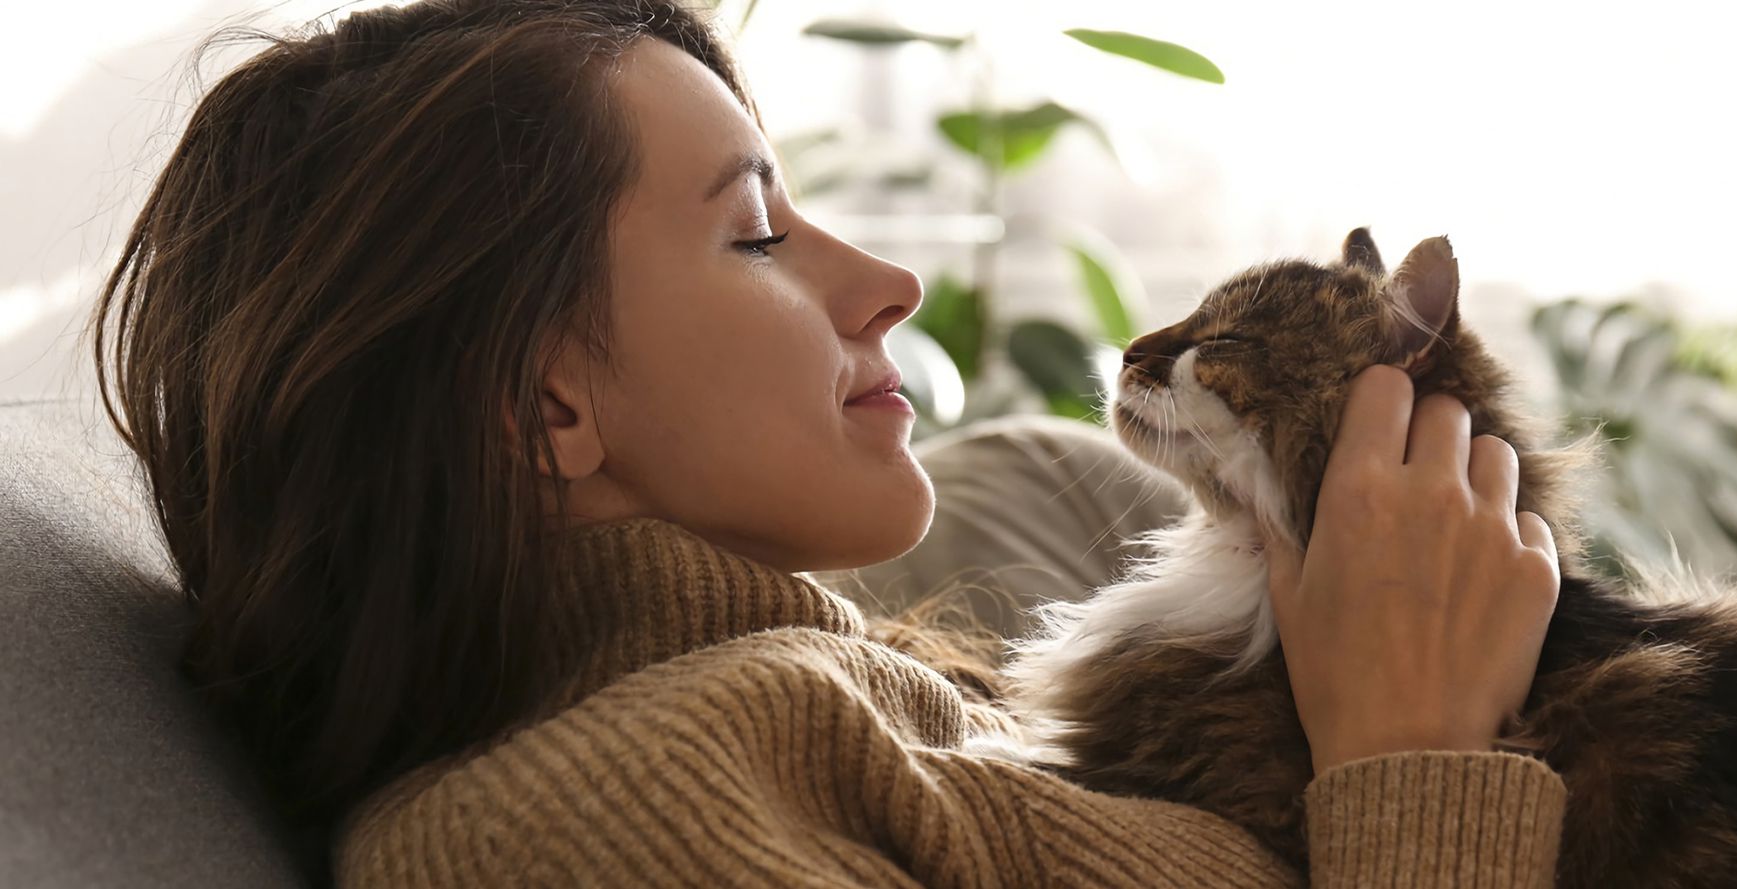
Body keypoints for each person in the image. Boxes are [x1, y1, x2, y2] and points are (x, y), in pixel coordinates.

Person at [87, 0, 1567, 885]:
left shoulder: (872, 693)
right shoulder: (576, 829)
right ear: (543, 412)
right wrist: (1415, 772)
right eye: (754, 233)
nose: (889, 282)